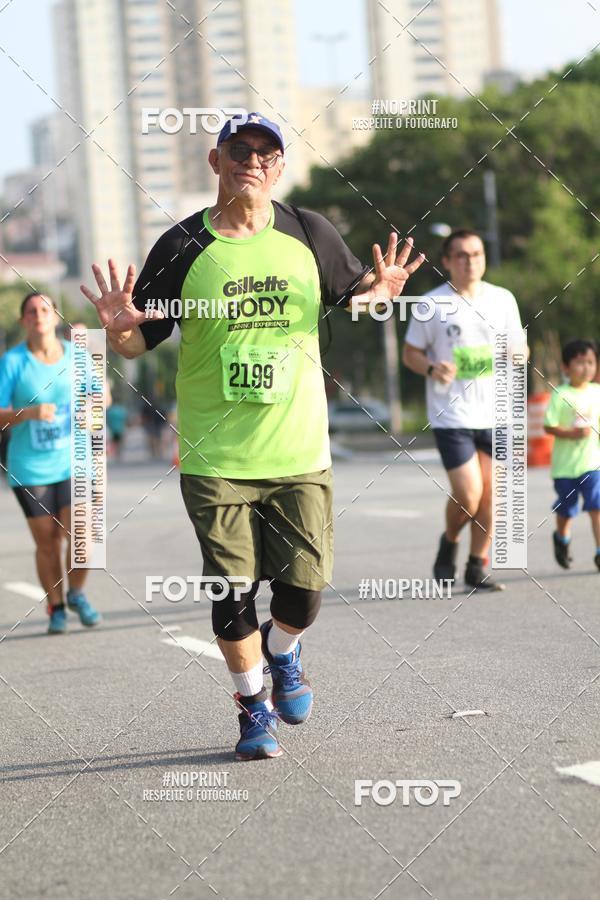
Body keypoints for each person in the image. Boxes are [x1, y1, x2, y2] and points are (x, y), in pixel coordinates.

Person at [80, 111, 424, 760]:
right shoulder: (181, 247)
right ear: (216, 161)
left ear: (280, 168)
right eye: (241, 150)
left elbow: (356, 300)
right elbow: (135, 343)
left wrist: (384, 293)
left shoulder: (308, 232)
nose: (254, 163)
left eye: (268, 154)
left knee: (303, 594)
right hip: (216, 455)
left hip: (298, 450)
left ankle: (284, 650)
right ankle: (252, 707)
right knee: (230, 589)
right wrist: (117, 326)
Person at [403, 228, 526, 591]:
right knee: (469, 495)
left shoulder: (503, 299)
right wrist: (431, 367)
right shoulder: (432, 304)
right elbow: (411, 353)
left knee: (492, 498)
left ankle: (476, 566)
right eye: (461, 255)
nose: (470, 261)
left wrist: (518, 354)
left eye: (476, 254)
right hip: (452, 414)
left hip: (496, 412)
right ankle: (449, 543)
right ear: (447, 262)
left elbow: (522, 348)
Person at [0, 293, 102, 633]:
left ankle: (77, 594)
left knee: (83, 538)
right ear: (23, 321)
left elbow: (100, 397)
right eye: (31, 311)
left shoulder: (78, 357)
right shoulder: (13, 362)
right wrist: (26, 413)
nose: (38, 315)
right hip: (30, 466)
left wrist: (92, 412)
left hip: (75, 459)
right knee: (48, 542)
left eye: (45, 309)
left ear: (56, 317)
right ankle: (56, 607)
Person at [543, 338, 600, 571]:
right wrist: (571, 433)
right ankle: (562, 538)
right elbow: (549, 426)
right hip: (565, 467)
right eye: (579, 363)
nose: (586, 367)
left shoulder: (597, 392)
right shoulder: (560, 394)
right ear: (566, 367)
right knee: (567, 510)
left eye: (590, 362)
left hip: (592, 463)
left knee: (597, 506)